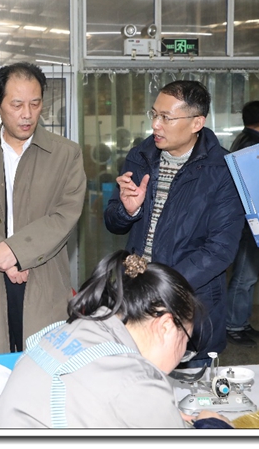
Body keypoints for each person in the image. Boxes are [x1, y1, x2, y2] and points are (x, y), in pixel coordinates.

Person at [0, 250, 232, 429]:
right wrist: (213, 425)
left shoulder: (76, 327)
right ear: (166, 326)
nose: (183, 354)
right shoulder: (138, 381)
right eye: (186, 341)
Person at [0, 62, 86, 358]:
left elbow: (65, 214)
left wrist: (16, 252)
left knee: (43, 367)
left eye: (35, 104)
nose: (27, 114)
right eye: (17, 104)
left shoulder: (66, 154)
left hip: (44, 275)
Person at [104, 80, 244, 367]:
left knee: (189, 386)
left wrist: (162, 287)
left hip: (191, 302)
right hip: (136, 298)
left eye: (166, 118)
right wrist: (128, 211)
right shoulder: (140, 156)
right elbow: (113, 222)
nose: (155, 125)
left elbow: (219, 250)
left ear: (197, 123)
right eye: (154, 114)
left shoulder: (223, 170)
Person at [225, 100, 259, 347]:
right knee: (244, 275)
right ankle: (233, 325)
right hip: (249, 223)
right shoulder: (253, 146)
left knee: (247, 275)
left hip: (247, 221)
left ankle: (240, 322)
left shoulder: (245, 141)